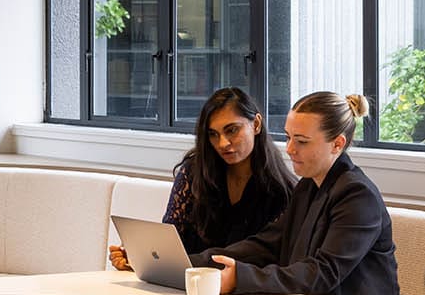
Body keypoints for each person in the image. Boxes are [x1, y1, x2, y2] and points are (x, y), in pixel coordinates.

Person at [201, 91, 399, 295]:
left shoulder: (358, 195)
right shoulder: (308, 185)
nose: (289, 149)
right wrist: (201, 261)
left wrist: (241, 278)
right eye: (288, 137)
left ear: (337, 144)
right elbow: (270, 243)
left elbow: (324, 272)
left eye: (302, 141)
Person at [110, 87, 293, 271]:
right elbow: (172, 240)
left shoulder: (282, 191)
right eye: (213, 134)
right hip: (185, 284)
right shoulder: (194, 172)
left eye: (232, 130)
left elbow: (265, 258)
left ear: (256, 124)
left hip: (245, 293)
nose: (223, 143)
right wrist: (140, 256)